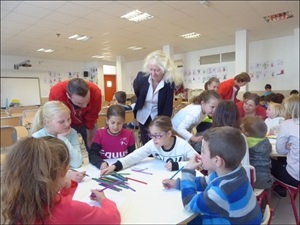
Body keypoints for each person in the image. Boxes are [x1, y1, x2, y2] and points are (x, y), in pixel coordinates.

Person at [1, 136, 121, 225]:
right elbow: (113, 218)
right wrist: (104, 200)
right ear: (60, 172)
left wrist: (66, 188)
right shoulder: (70, 209)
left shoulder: (16, 203)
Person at [162, 127, 262, 225]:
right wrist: (178, 183)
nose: (200, 154)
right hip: (245, 219)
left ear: (217, 161)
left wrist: (187, 172)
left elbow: (189, 204)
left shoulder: (221, 192)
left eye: (203, 151)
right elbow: (205, 182)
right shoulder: (236, 171)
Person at [101, 116, 198, 176]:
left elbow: (199, 161)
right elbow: (136, 155)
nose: (154, 139)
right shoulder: (153, 143)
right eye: (152, 135)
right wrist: (115, 166)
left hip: (180, 179)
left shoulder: (182, 145)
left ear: (168, 134)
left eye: (157, 135)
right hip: (162, 178)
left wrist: (178, 165)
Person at [133, 50, 182, 145]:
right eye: (151, 69)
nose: (153, 73)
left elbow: (167, 105)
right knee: (145, 142)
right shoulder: (141, 77)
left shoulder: (169, 83)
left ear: (165, 69)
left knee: (158, 141)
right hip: (143, 115)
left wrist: (164, 124)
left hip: (158, 115)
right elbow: (138, 92)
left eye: (157, 70)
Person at [30, 101, 84, 182]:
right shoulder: (37, 138)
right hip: (47, 182)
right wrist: (65, 174)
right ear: (47, 122)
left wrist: (63, 139)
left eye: (69, 119)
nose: (67, 124)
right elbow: (38, 171)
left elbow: (77, 162)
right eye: (61, 122)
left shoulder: (72, 132)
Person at [49, 78, 102, 152]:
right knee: (65, 149)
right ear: (68, 96)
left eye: (87, 101)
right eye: (79, 103)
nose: (85, 106)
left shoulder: (96, 92)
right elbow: (56, 118)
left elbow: (91, 119)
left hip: (85, 121)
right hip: (67, 123)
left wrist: (90, 141)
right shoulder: (56, 93)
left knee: (92, 147)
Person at [89, 105, 136, 170]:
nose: (115, 127)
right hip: (105, 168)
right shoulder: (100, 134)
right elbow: (92, 155)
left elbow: (132, 155)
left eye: (119, 123)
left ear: (123, 121)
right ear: (107, 120)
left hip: (123, 167)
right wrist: (100, 163)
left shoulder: (129, 134)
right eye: (113, 122)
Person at [271, 94, 300, 197]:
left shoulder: (288, 124)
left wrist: (287, 147)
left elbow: (280, 150)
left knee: (266, 161)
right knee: (283, 159)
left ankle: (275, 188)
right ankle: (280, 189)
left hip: (294, 177)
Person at [211, 100, 250, 166]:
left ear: (216, 115)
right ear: (236, 116)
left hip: (215, 174)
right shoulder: (240, 137)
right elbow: (245, 163)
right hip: (237, 174)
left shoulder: (211, 136)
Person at [241, 116, 273, 189]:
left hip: (249, 180)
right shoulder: (266, 142)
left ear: (246, 133)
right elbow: (270, 150)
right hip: (266, 179)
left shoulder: (244, 142)